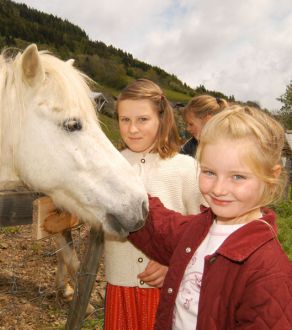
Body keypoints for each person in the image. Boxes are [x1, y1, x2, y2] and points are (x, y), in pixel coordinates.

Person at [129, 105, 292, 330]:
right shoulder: (199, 228)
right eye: (209, 172)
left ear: (271, 177)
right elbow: (160, 226)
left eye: (237, 176)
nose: (218, 188)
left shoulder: (268, 271)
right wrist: (124, 192)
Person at [104, 79, 205, 330]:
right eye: (124, 119)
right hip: (121, 288)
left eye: (142, 119)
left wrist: (173, 262)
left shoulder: (186, 168)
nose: (132, 129)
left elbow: (203, 230)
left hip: (170, 288)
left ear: (161, 118)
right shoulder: (108, 167)